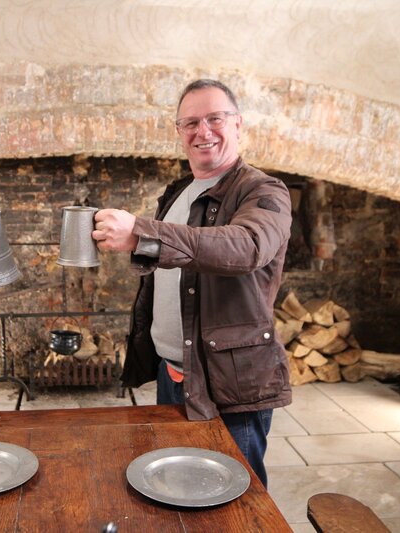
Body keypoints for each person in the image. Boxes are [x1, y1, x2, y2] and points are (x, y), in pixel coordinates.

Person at [92, 79, 292, 487]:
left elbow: (247, 246)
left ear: (238, 125)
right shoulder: (179, 191)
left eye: (215, 119)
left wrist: (142, 234)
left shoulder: (263, 189)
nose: (203, 131)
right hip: (173, 372)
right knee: (180, 487)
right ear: (179, 131)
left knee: (237, 497)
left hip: (229, 382)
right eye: (190, 123)